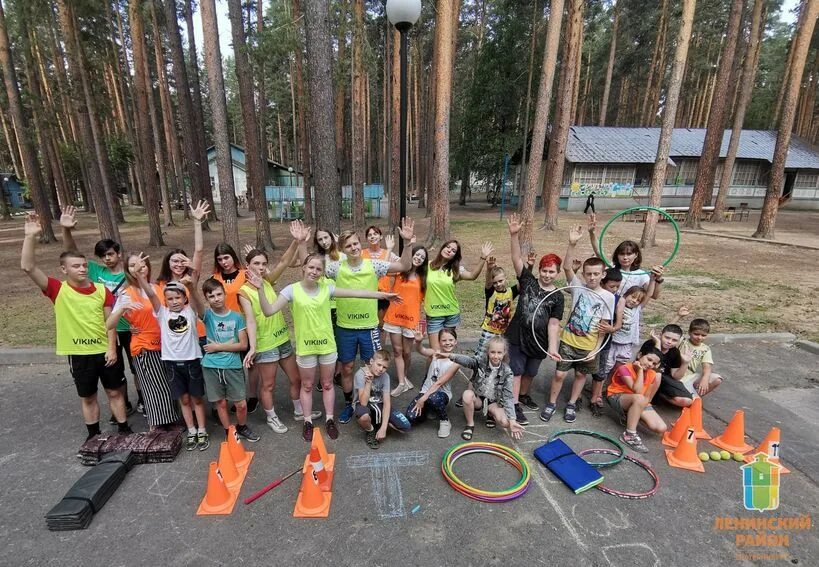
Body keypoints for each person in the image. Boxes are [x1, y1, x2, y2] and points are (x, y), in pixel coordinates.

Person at [248, 254, 402, 442]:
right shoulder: (291, 290)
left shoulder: (326, 289)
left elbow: (357, 292)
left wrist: (382, 295)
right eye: (311, 267)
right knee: (307, 385)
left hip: (327, 346)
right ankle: (307, 422)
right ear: (303, 267)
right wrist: (260, 289)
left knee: (328, 384)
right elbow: (269, 311)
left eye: (318, 269)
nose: (314, 271)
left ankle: (330, 420)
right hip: (306, 347)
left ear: (322, 273)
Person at [21, 213, 130, 442]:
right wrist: (30, 237)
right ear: (64, 270)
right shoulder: (56, 289)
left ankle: (124, 430)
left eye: (83, 265)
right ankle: (94, 436)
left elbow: (110, 324)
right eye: (75, 266)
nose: (81, 269)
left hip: (105, 351)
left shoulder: (102, 290)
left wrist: (112, 349)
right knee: (88, 396)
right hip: (80, 354)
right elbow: (28, 267)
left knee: (114, 392)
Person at [323, 218, 416, 426]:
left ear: (360, 244)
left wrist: (408, 243)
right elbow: (308, 266)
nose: (353, 247)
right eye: (348, 245)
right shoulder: (335, 268)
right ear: (343, 250)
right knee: (346, 368)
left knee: (372, 366)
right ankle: (350, 403)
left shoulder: (373, 264)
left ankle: (369, 401)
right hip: (345, 327)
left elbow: (404, 265)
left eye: (356, 243)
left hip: (369, 328)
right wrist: (301, 244)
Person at [60, 205, 139, 417]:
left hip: (131, 327)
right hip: (105, 329)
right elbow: (71, 253)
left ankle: (143, 399)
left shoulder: (131, 273)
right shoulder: (95, 271)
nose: (107, 258)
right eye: (102, 255)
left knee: (137, 367)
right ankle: (124, 405)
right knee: (115, 369)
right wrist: (67, 230)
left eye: (110, 254)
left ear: (119, 254)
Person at [237, 221, 308, 435]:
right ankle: (272, 417)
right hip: (265, 344)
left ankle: (298, 411)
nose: (260, 267)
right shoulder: (244, 291)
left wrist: (297, 241)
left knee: (296, 378)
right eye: (256, 263)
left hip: (282, 339)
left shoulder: (267, 281)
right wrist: (253, 347)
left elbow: (286, 261)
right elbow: (250, 319)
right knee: (268, 385)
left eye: (263, 263)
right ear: (247, 266)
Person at [542, 225, 615, 424]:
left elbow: (604, 325)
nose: (591, 277)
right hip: (568, 341)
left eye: (595, 274)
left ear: (602, 275)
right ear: (583, 274)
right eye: (588, 274)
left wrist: (596, 349)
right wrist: (571, 244)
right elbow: (566, 267)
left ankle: (572, 403)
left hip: (589, 346)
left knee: (581, 375)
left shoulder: (608, 297)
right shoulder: (577, 288)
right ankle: (551, 403)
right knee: (559, 373)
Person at [135, 264, 208, 451]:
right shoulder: (162, 313)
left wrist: (190, 286)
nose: (174, 301)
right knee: (183, 399)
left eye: (178, 297)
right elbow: (151, 294)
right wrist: (138, 275)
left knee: (197, 399)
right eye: (170, 298)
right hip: (172, 363)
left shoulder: (189, 312)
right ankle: (191, 430)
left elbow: (198, 304)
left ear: (184, 298)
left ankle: (202, 430)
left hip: (192, 360)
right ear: (165, 301)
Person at [106, 253, 181, 430]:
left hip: (167, 344)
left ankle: (172, 420)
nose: (139, 268)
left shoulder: (158, 289)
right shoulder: (127, 293)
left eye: (142, 265)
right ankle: (157, 424)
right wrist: (122, 309)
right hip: (144, 345)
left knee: (169, 383)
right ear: (127, 271)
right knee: (153, 385)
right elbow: (109, 324)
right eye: (133, 265)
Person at [504, 213, 563, 426]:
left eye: (551, 272)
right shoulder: (528, 281)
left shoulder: (557, 295)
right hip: (518, 337)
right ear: (539, 270)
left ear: (557, 273)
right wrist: (514, 236)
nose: (547, 275)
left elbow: (554, 324)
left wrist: (553, 347)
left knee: (530, 372)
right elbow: (516, 260)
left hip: (539, 341)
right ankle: (513, 405)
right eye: (544, 270)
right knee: (517, 372)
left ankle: (522, 396)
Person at [200, 278, 260, 442]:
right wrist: (190, 286)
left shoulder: (236, 317)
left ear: (225, 294)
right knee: (220, 402)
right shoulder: (207, 316)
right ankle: (228, 431)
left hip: (232, 365)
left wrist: (217, 347)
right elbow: (195, 303)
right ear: (207, 299)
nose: (216, 298)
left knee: (240, 403)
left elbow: (242, 345)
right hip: (211, 366)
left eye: (219, 294)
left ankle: (242, 426)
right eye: (211, 296)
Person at [440, 336, 523, 441]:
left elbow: (508, 397)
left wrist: (512, 420)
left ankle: (490, 414)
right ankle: (470, 424)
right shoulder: (481, 362)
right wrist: (449, 355)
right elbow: (468, 361)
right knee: (467, 395)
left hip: (494, 402)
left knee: (506, 422)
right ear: (488, 351)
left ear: (504, 353)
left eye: (499, 353)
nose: (496, 356)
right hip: (479, 398)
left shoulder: (507, 372)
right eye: (493, 352)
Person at [424, 239, 493, 350]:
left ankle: (448, 367)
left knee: (446, 351)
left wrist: (483, 257)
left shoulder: (455, 270)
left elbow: (472, 276)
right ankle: (433, 368)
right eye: (448, 247)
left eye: (453, 250)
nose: (449, 250)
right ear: (442, 247)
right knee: (436, 352)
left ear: (455, 256)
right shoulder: (427, 266)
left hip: (451, 314)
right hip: (434, 315)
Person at [383, 242, 428, 397]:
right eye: (417, 255)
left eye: (422, 257)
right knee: (397, 350)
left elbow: (422, 301)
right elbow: (385, 268)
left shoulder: (423, 278)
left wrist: (423, 324)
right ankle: (402, 383)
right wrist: (389, 249)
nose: (419, 258)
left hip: (411, 320)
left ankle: (404, 376)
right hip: (394, 317)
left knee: (407, 352)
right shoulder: (400, 271)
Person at [606, 344, 668, 453]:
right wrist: (639, 371)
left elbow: (647, 397)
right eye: (649, 359)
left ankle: (630, 415)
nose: (650, 364)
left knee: (661, 428)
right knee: (639, 398)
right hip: (617, 397)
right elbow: (637, 390)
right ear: (639, 355)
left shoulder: (652, 374)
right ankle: (629, 435)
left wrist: (643, 407)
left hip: (638, 401)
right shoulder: (624, 368)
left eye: (654, 363)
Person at [406, 329, 460, 438]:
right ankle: (429, 409)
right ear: (439, 342)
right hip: (426, 392)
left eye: (451, 340)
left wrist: (422, 399)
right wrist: (418, 342)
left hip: (441, 394)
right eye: (444, 340)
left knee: (433, 398)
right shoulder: (434, 353)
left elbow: (439, 383)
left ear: (455, 342)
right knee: (410, 417)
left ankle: (445, 421)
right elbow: (421, 350)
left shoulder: (456, 362)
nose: (448, 342)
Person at [354, 350, 411, 449]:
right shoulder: (360, 374)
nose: (381, 369)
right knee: (363, 417)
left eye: (384, 367)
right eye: (379, 365)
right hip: (364, 404)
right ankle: (370, 430)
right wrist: (369, 382)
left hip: (378, 404)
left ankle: (381, 423)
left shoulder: (385, 377)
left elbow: (387, 402)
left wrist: (384, 428)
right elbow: (363, 402)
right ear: (371, 361)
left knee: (405, 427)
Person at [588, 268, 623, 416]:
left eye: (617, 286)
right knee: (581, 370)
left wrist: (612, 328)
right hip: (587, 338)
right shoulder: (594, 294)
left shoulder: (618, 299)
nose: (615, 290)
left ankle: (595, 399)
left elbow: (619, 324)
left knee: (600, 372)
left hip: (605, 341)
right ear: (603, 283)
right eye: (611, 286)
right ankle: (574, 398)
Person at [647, 312, 691, 407]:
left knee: (687, 401)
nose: (669, 342)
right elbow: (653, 365)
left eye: (674, 340)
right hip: (647, 375)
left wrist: (685, 363)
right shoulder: (651, 344)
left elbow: (676, 376)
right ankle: (648, 400)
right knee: (657, 374)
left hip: (665, 379)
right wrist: (658, 343)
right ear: (660, 335)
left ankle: (661, 396)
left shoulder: (675, 352)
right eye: (667, 338)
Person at [361, 225, 399, 329]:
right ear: (367, 239)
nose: (372, 236)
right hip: (367, 294)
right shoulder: (361, 254)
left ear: (381, 237)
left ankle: (380, 346)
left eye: (375, 234)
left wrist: (389, 249)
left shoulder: (389, 254)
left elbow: (400, 269)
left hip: (384, 295)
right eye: (369, 235)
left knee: (382, 326)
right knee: (367, 325)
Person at [678, 318, 723, 398]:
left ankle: (695, 396)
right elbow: (668, 332)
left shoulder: (705, 349)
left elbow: (707, 367)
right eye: (696, 334)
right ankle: (688, 397)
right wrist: (678, 316)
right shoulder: (682, 341)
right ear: (689, 332)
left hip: (690, 378)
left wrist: (705, 380)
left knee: (717, 379)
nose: (699, 337)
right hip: (676, 375)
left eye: (703, 335)